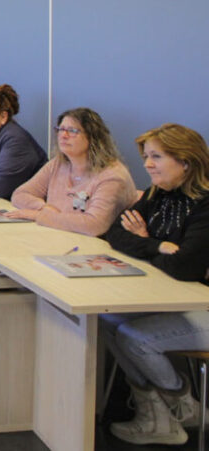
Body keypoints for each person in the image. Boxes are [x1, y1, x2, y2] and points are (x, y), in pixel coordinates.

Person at [100, 124, 209, 446]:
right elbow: (115, 234)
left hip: (202, 305)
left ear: (185, 161)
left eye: (156, 157)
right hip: (180, 298)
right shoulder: (158, 193)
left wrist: (146, 240)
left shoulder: (205, 205)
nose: (147, 164)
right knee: (106, 318)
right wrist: (155, 244)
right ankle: (158, 416)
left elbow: (184, 267)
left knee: (135, 337)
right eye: (146, 156)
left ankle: (182, 405)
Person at [9, 108, 137, 235]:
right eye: (61, 129)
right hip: (58, 235)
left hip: (92, 243)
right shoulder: (58, 163)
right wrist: (44, 207)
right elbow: (20, 194)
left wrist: (39, 215)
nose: (64, 136)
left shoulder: (112, 175)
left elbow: (94, 225)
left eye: (72, 131)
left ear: (93, 137)